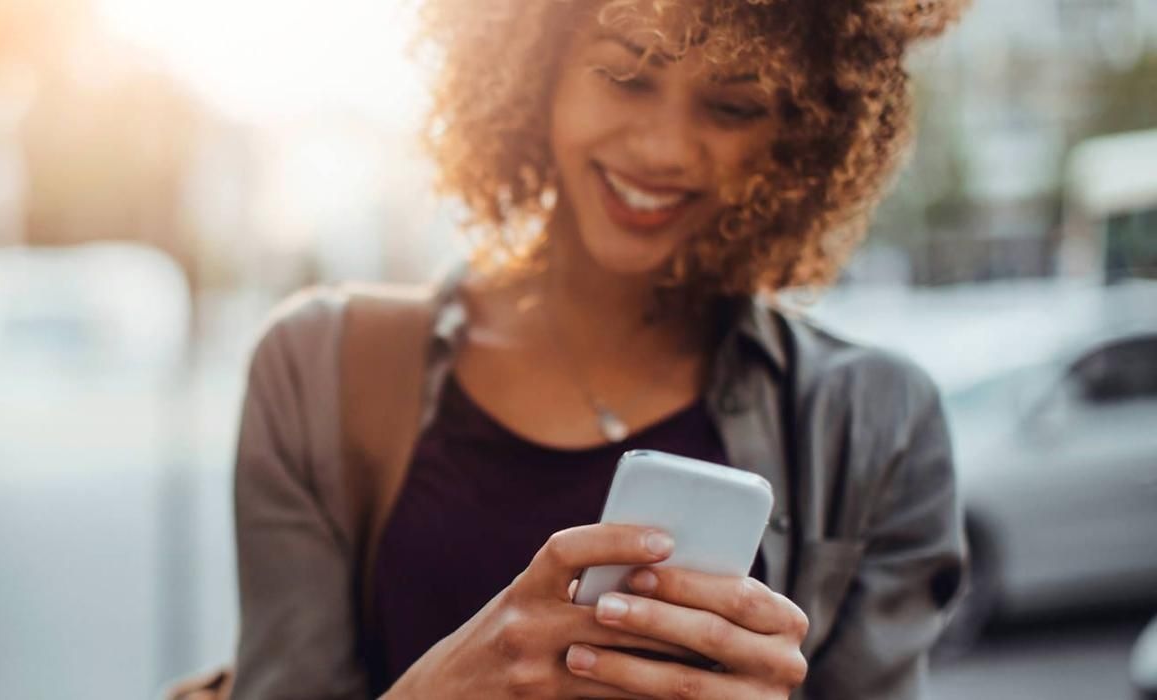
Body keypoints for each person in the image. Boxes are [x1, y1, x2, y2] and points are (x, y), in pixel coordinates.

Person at [228, 0, 971, 698]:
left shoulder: (881, 422)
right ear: (534, 67)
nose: (663, 148)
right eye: (625, 76)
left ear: (800, 133)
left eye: (733, 106)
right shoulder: (319, 369)